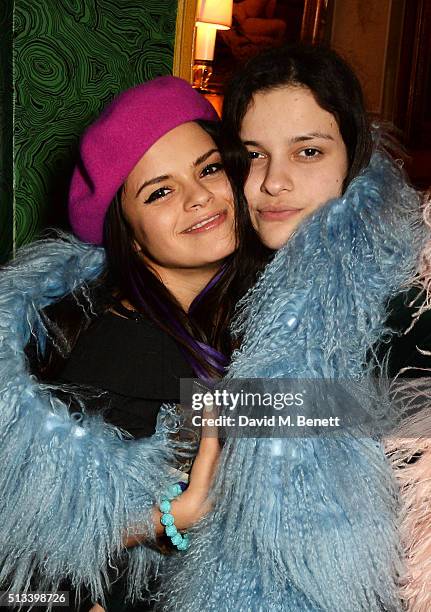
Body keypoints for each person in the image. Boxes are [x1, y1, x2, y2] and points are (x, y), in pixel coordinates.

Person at [160, 45, 430, 611]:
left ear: (352, 156)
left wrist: (212, 413)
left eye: (307, 151)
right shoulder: (245, 271)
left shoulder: (405, 282)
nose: (274, 182)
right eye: (253, 154)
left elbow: (399, 417)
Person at [0, 76, 238, 611]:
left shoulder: (230, 315)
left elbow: (323, 412)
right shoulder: (123, 354)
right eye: (160, 191)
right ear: (127, 233)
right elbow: (24, 587)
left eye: (209, 168)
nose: (199, 196)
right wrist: (164, 520)